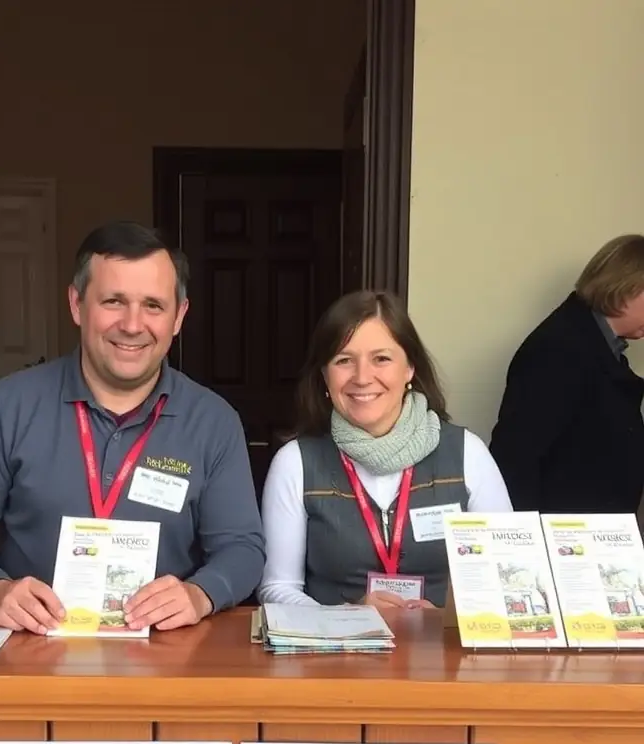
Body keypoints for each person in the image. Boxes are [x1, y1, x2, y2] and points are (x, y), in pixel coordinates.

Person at [0, 221, 264, 633]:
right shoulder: (11, 403)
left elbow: (242, 549)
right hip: (30, 646)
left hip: (164, 653)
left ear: (179, 317)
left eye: (153, 305)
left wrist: (201, 593)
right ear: (77, 304)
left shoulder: (213, 421)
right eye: (114, 301)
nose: (133, 324)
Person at [257, 291, 512, 610]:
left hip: (443, 656)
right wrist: (347, 615)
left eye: (382, 359)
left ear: (409, 369)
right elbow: (276, 589)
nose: (362, 378)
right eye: (344, 360)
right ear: (324, 375)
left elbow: (509, 576)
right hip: (333, 654)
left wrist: (447, 620)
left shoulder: (468, 455)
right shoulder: (295, 462)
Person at [489, 234, 644, 514]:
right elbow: (516, 458)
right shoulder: (558, 348)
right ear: (628, 288)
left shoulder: (597, 343)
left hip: (589, 541)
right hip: (564, 544)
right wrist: (531, 547)